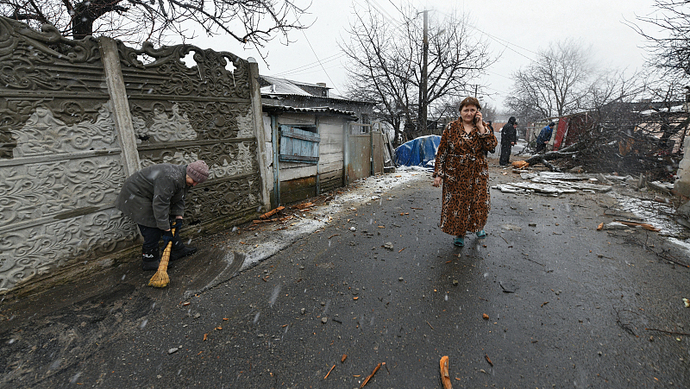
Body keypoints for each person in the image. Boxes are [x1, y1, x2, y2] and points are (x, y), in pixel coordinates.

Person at [116, 160, 209, 270]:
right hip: (135, 196)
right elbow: (160, 204)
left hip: (150, 196)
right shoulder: (170, 178)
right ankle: (149, 260)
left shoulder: (184, 177)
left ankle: (177, 249)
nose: (195, 184)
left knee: (170, 223)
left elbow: (179, 197)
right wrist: (166, 229)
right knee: (152, 227)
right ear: (188, 173)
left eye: (198, 182)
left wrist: (179, 217)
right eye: (194, 181)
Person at [432, 97, 498, 248]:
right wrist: (438, 174)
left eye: (472, 110)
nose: (469, 113)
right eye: (466, 110)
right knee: (457, 205)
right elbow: (442, 151)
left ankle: (478, 227)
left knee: (478, 203)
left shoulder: (483, 127)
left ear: (477, 112)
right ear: (460, 111)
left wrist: (481, 128)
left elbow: (491, 145)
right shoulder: (451, 128)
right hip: (455, 174)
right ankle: (459, 233)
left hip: (477, 173)